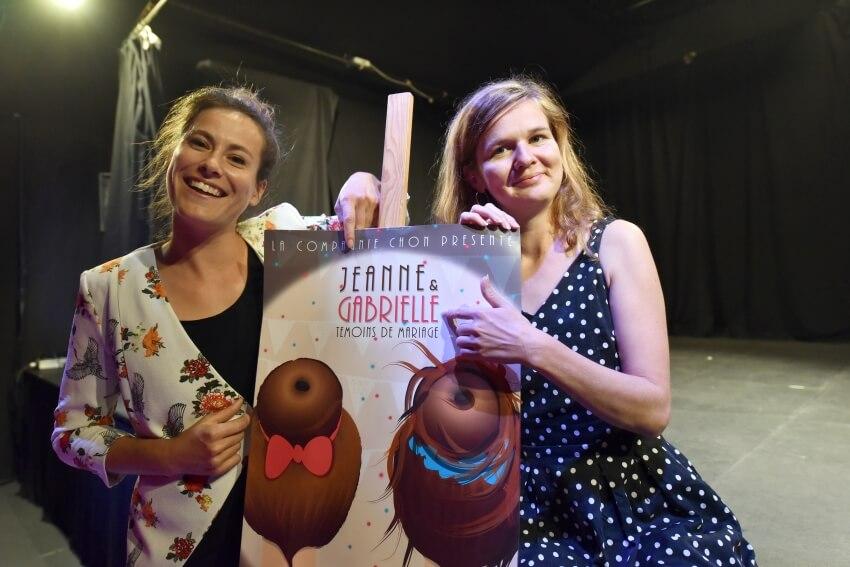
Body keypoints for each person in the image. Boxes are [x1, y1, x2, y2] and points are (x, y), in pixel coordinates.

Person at [431, 77, 757, 566]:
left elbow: (652, 409)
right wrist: (362, 188)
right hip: (516, 497)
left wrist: (533, 345)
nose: (526, 157)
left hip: (620, 487)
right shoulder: (461, 262)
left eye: (538, 137)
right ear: (475, 174)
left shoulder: (616, 243)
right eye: (501, 148)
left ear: (560, 145)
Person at [51, 86, 377, 566]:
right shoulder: (110, 287)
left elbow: (378, 240)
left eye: (237, 158)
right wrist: (169, 457)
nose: (212, 165)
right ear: (173, 154)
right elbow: (71, 431)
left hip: (294, 538)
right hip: (178, 547)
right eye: (200, 143)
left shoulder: (289, 248)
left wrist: (363, 181)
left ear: (258, 190)